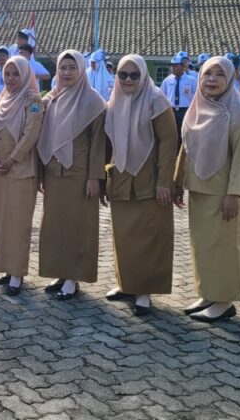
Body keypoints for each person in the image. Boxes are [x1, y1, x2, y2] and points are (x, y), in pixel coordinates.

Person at [173, 55, 240, 322]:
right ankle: (208, 293)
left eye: (220, 74)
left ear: (230, 78)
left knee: (223, 247)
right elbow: (185, 148)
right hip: (198, 188)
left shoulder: (238, 113)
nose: (212, 79)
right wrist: (177, 181)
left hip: (222, 193)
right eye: (208, 74)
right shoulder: (197, 107)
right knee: (202, 246)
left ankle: (224, 301)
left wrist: (234, 194)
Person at [103, 54, 177, 315]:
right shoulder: (115, 100)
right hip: (122, 179)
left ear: (144, 75)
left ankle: (144, 291)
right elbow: (108, 143)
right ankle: (128, 284)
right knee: (124, 237)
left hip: (149, 180)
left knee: (149, 237)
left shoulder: (156, 100)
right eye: (123, 74)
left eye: (134, 75)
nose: (128, 80)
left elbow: (169, 142)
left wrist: (165, 182)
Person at [37, 50, 107, 301]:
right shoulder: (52, 99)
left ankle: (73, 278)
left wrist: (94, 177)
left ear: (82, 70)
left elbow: (98, 144)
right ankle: (60, 273)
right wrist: (41, 173)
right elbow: (43, 137)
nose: (66, 73)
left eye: (72, 68)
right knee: (55, 226)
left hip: (80, 174)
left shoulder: (93, 101)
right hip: (54, 172)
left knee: (78, 227)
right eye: (62, 68)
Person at [0, 56, 44, 296]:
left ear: (26, 75)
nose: (10, 79)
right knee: (1, 221)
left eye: (16, 74)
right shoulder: (2, 97)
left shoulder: (33, 100)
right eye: (7, 74)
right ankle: (5, 268)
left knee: (18, 223)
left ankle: (17, 273)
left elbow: (31, 133)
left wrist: (12, 159)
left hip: (21, 170)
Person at [160, 54, 196, 144]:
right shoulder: (167, 80)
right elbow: (162, 96)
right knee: (172, 133)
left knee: (185, 133)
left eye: (176, 65)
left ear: (183, 66)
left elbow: (196, 96)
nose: (173, 68)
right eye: (172, 65)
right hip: (171, 111)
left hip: (186, 110)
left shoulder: (192, 80)